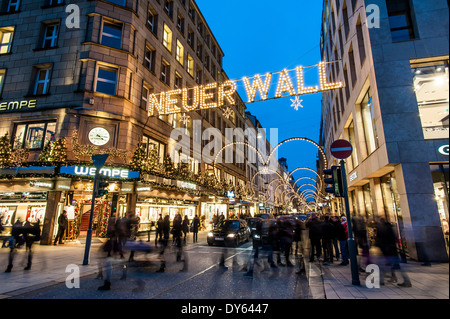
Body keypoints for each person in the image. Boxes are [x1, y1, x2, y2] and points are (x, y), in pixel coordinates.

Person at [375, 217, 411, 287]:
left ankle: (382, 280)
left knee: (383, 266)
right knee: (395, 266)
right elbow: (394, 238)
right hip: (392, 250)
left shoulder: (382, 229)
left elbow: (380, 240)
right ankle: (402, 279)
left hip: (387, 250)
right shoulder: (390, 228)